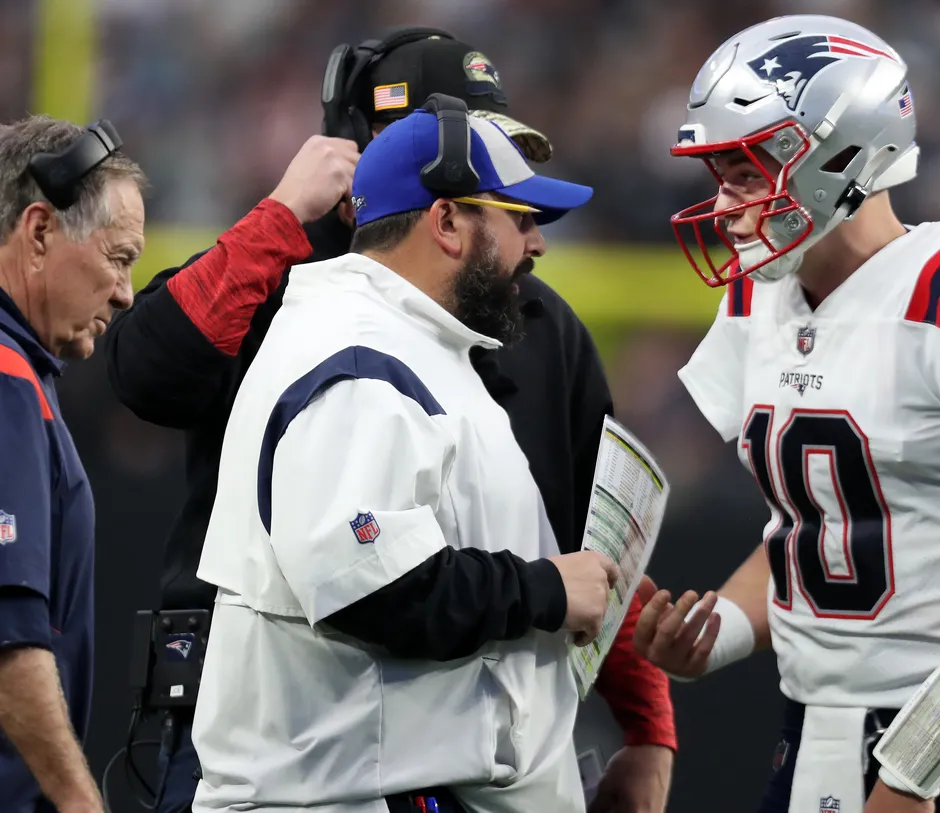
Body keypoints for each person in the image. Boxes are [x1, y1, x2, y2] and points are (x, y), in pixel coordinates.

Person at [104, 28, 675, 813]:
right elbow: (145, 373)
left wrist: (648, 726)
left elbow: (593, 543)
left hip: (456, 753)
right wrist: (279, 217)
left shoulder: (527, 319)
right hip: (305, 743)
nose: (533, 241)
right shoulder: (306, 297)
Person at [634, 14, 940, 813]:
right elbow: (818, 534)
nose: (726, 204)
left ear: (836, 156)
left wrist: (914, 771)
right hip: (813, 738)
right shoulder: (758, 301)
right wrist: (721, 634)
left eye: (745, 172)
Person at [189, 100, 615, 813]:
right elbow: (371, 584)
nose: (536, 245)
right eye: (519, 217)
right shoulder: (359, 358)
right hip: (347, 792)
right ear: (445, 222)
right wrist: (546, 588)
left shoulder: (414, 342)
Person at [0, 115, 146, 813]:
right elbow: (9, 643)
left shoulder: (24, 372)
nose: (123, 292)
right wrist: (80, 802)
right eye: (118, 258)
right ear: (38, 232)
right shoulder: (5, 379)